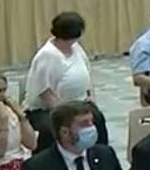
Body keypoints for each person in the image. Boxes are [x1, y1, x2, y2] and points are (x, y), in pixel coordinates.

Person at [24, 12, 105, 154]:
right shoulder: (47, 55)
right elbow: (46, 93)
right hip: (49, 109)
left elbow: (88, 75)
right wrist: (66, 114)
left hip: (79, 102)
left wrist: (91, 99)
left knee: (97, 118)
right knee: (50, 130)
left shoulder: (76, 48)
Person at [21, 102, 121, 170]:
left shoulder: (106, 155)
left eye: (92, 122)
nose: (92, 128)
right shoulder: (37, 166)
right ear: (65, 132)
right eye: (84, 124)